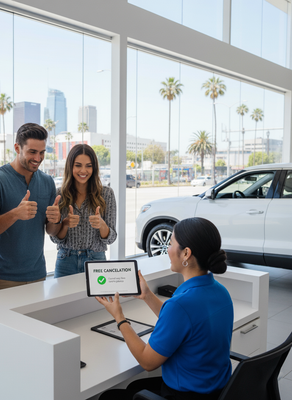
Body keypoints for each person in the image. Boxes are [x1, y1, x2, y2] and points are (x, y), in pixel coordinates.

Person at [97, 217, 233, 400]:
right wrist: (146, 295)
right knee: (135, 386)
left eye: (170, 244)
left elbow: (147, 362)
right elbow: (183, 322)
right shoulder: (221, 292)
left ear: (186, 253)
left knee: (110, 396)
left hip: (185, 394)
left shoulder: (181, 305)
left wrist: (119, 317)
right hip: (215, 390)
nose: (167, 250)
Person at [0, 123, 61, 292]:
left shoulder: (47, 182)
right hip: (2, 278)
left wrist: (56, 220)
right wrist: (15, 214)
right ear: (17, 148)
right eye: (32, 152)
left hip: (38, 275)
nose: (38, 158)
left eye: (42, 153)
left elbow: (51, 230)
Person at [50, 144, 117, 278]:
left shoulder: (106, 194)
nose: (83, 170)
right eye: (78, 165)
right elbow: (56, 239)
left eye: (88, 166)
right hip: (66, 260)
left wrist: (102, 225)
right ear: (70, 167)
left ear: (94, 168)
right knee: (65, 300)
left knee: (97, 300)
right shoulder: (59, 194)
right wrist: (65, 224)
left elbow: (111, 238)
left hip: (96, 260)